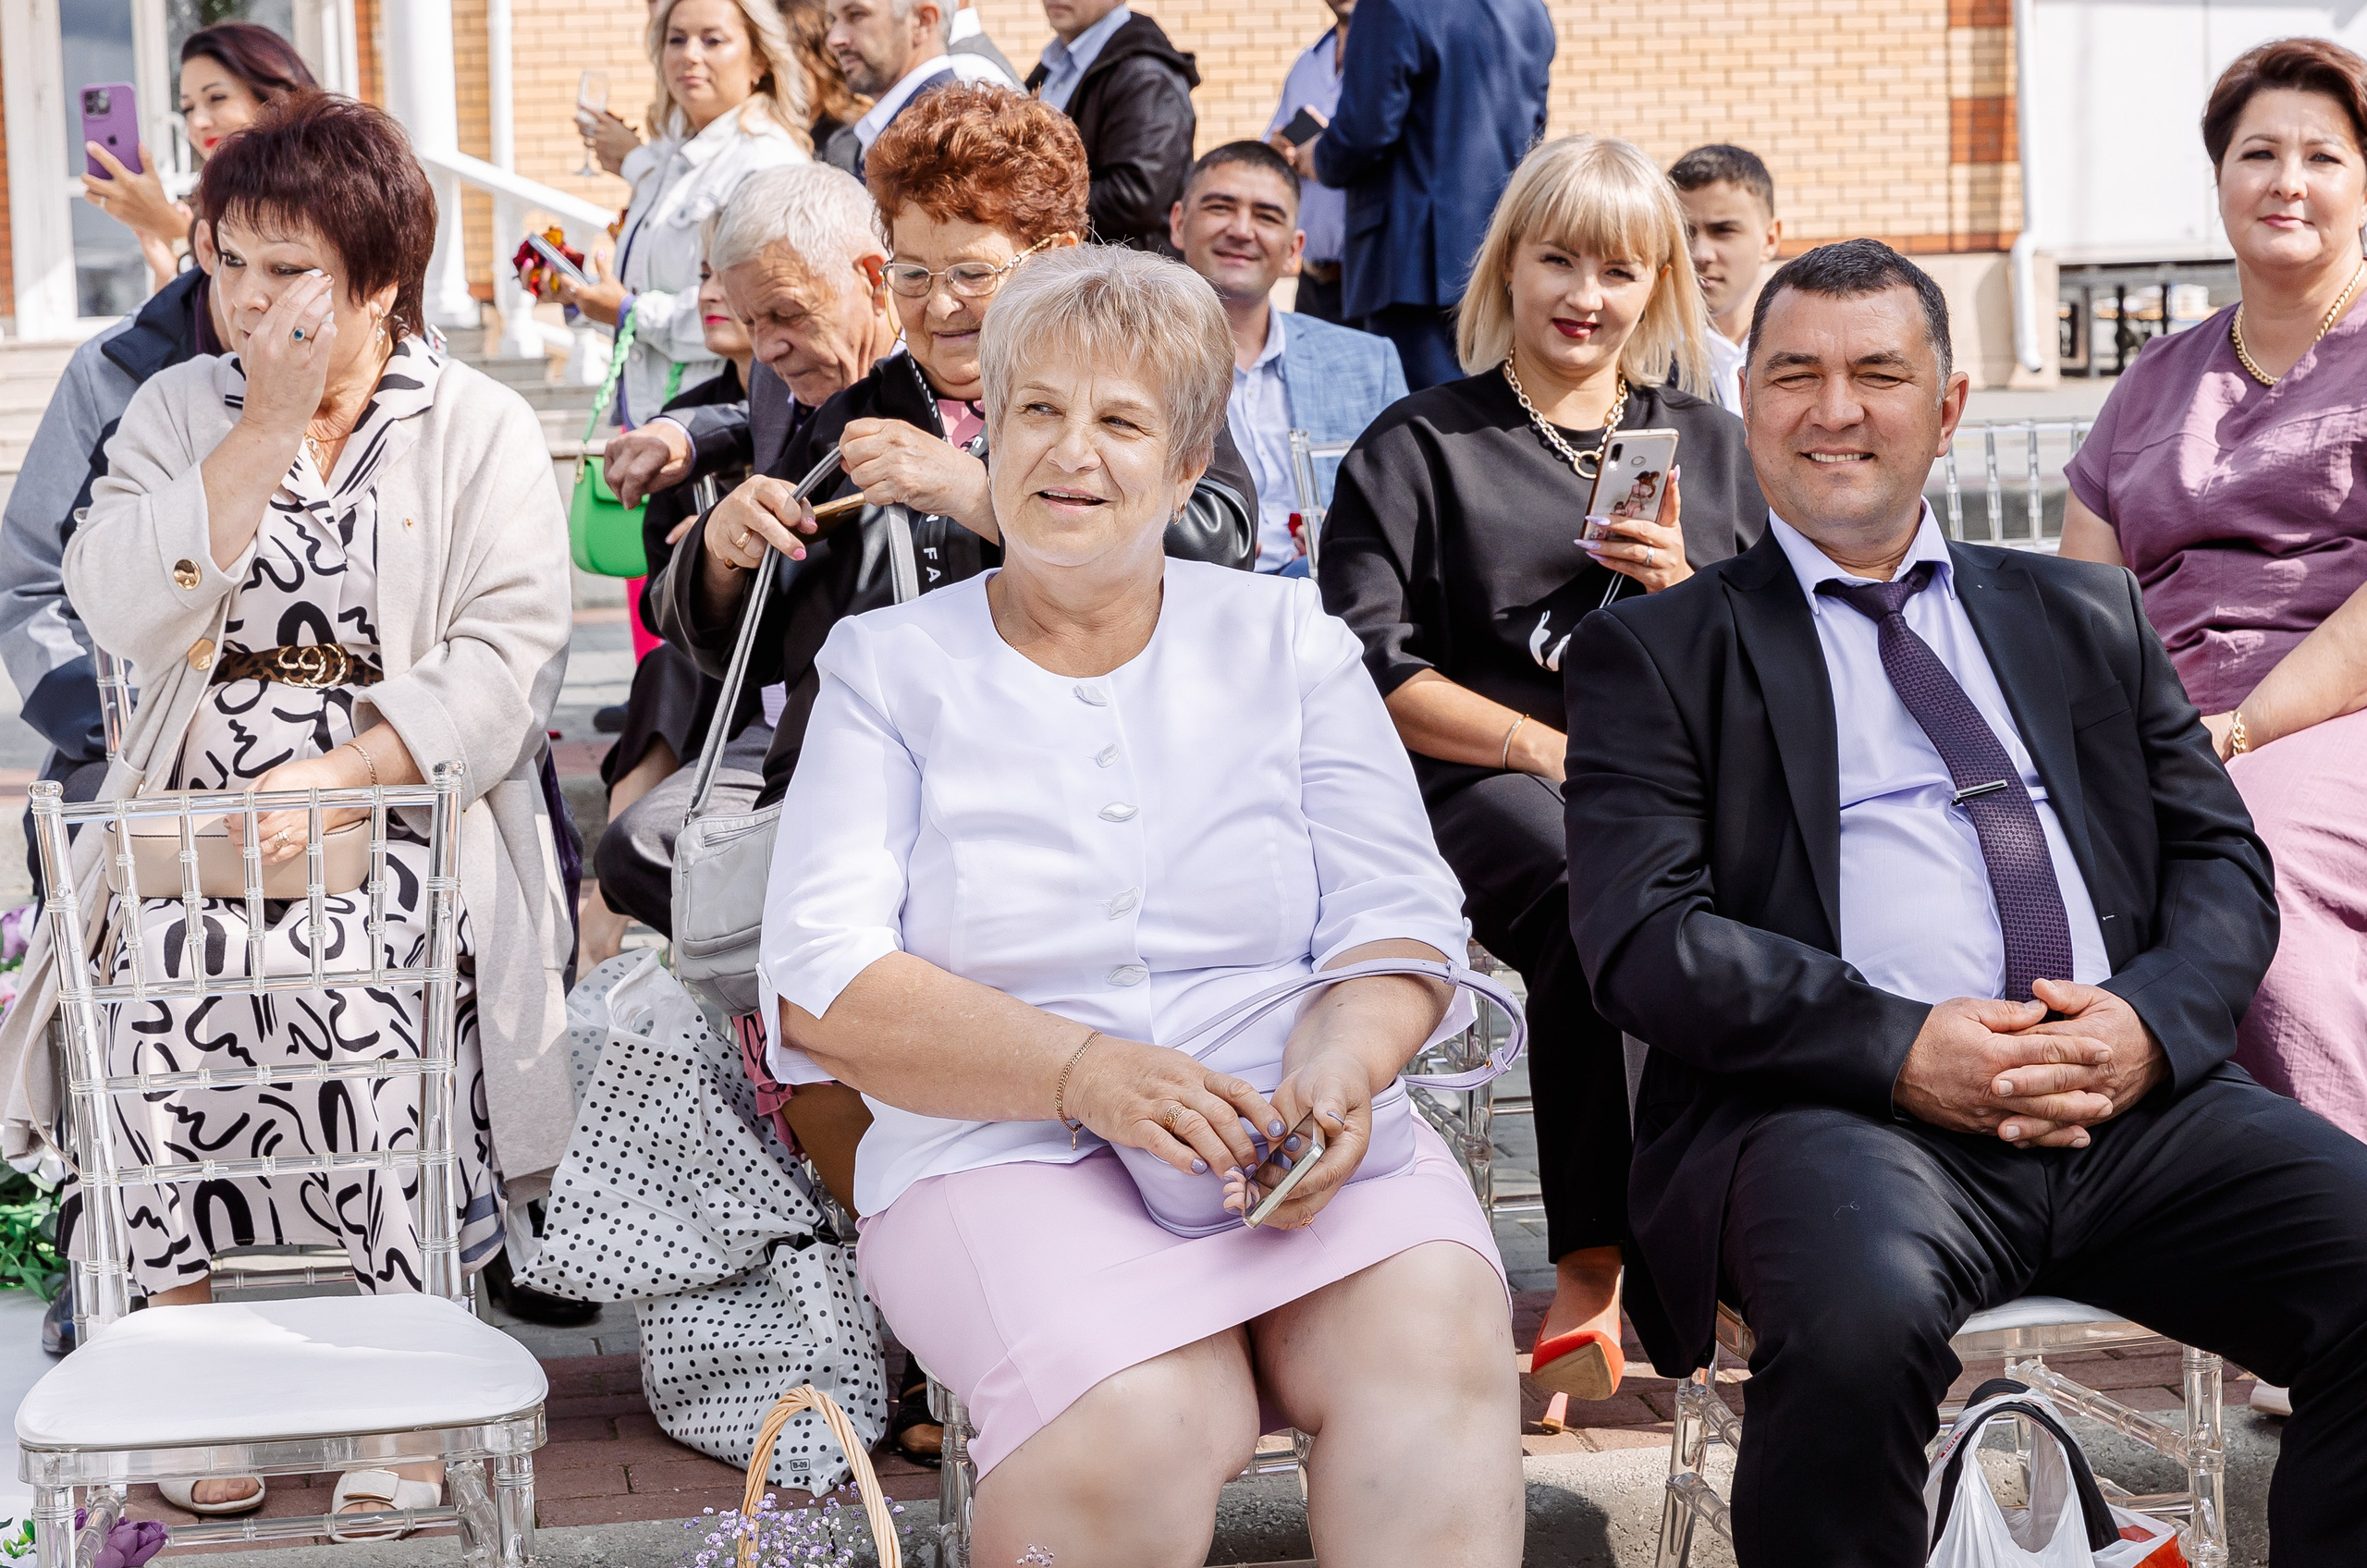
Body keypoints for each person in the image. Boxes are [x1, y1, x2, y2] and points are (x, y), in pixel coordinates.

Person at [1564, 237, 2367, 1567]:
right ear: (1747, 404)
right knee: (1856, 1327)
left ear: (1948, 407)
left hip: (2130, 1102)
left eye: (1880, 373)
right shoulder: (1658, 651)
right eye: (1796, 376)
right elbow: (1645, 941)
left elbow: (2223, 865)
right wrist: (1903, 1046)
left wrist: (2147, 1027)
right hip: (1841, 1117)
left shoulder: (2087, 613)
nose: (1836, 410)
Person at [763, 240, 1521, 1564]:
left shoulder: (1290, 644)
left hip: (1292, 1138)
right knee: (1146, 1412)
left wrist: (1341, 1070)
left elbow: (1398, 915)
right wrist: (1083, 1072)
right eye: (1037, 410)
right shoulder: (887, 668)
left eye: (1121, 421)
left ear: (1185, 466)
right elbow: (823, 985)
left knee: (1442, 1340)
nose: (1071, 452)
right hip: (995, 1151)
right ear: (984, 434)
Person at [0, 94, 573, 1526]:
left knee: (373, 1009)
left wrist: (350, 769)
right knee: (154, 1005)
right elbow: (118, 606)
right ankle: (184, 1375)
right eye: (227, 261)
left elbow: (511, 653)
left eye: (285, 269)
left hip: (397, 824)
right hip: (192, 826)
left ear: (378, 280)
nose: (242, 297)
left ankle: (399, 1394)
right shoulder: (173, 409)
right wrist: (254, 432)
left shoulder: (479, 425)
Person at [1318, 133, 1762, 1404]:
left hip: (1675, 771)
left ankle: (1748, 1232)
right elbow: (1370, 669)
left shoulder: (1712, 445)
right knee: (1598, 895)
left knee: (1796, 891)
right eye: (1557, 258)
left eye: (1618, 270)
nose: (1585, 295)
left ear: (1657, 286)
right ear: (1507, 265)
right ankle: (1595, 1265)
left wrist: (1685, 589)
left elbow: (1777, 653)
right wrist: (1540, 744)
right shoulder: (1420, 446)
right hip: (1483, 777)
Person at [649, 82, 1255, 809]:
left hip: (1095, 776)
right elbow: (757, 644)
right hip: (870, 792)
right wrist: (724, 553)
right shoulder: (854, 417)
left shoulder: (1143, 385)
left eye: (971, 273)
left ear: (1054, 255)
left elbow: (1217, 548)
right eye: (911, 273)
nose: (938, 306)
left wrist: (975, 493)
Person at [2059, 39, 2367, 1155]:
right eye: (2257, 153)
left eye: (2322, 155)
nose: (2287, 180)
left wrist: (2241, 728)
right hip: (2174, 730)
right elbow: (2083, 604)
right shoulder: (2154, 377)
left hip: (2331, 718)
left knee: (2250, 876)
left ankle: (2338, 1240)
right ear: (2220, 179)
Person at [594, 163, 901, 951]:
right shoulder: (779, 375)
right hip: (778, 722)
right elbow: (771, 410)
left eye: (786, 313)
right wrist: (689, 443)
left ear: (873, 277)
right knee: (637, 852)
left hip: (886, 742)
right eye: (748, 321)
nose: (767, 347)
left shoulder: (941, 383)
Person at [579, 214, 767, 971]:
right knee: (669, 668)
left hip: (786, 662)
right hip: (711, 647)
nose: (712, 294)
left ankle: (600, 920)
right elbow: (664, 579)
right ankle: (605, 911)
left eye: (729, 275)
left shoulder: (824, 394)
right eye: (702, 276)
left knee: (672, 672)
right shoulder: (686, 410)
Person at [556, 0, 812, 436]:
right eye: (677, 39)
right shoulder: (673, 160)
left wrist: (628, 312)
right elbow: (645, 284)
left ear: (759, 61)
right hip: (657, 420)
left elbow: (761, 311)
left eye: (713, 40)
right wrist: (583, 296)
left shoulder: (766, 162)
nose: (691, 54)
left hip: (724, 427)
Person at [1169, 141, 1405, 575]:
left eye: (1266, 216)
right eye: (1221, 207)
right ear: (1179, 223)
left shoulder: (1370, 364)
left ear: (1295, 250)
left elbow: (1405, 510)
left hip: (1336, 607)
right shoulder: (1132, 360)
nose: (1242, 230)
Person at [1312, 0, 1554, 390]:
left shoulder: (1387, 5)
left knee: (1416, 428)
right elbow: (1533, 130)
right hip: (1501, 251)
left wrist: (1319, 158)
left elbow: (1364, 132)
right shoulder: (1528, 8)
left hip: (1410, 261)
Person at [80, 22, 317, 291]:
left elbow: (252, 311)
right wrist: (169, 269)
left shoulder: (318, 193)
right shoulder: (208, 203)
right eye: (187, 108)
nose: (197, 123)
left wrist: (173, 230)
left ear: (272, 97)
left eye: (216, 98)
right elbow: (193, 328)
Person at [1024, 1, 1200, 253]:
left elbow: (1136, 197)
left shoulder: (1146, 75)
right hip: (1076, 269)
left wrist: (1025, 200)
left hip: (1127, 279)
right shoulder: (1057, 65)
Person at [818, 0, 1007, 178]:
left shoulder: (945, 137)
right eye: (832, 20)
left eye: (856, 15)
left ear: (922, 22)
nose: (834, 39)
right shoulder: (920, 123)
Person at [1668, 143, 1782, 415]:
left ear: (1769, 239)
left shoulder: (1807, 348)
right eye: (1685, 232)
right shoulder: (1635, 361)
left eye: (1723, 231)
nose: (1699, 254)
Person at [1264, 0, 1353, 324]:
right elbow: (1270, 148)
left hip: (1367, 285)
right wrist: (1277, 151)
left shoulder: (1392, 60)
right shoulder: (1307, 63)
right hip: (1313, 280)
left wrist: (1333, 149)